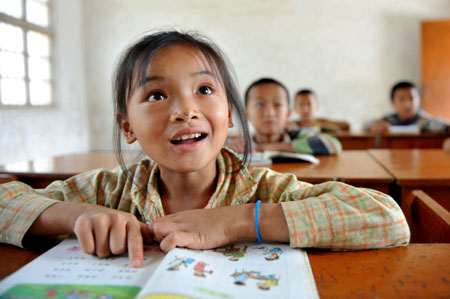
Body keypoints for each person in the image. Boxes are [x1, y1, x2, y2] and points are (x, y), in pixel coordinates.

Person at [0, 30, 409, 269]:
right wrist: (76, 214)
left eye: (205, 90)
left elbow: (388, 218)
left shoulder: (262, 188)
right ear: (127, 126)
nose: (185, 110)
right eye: (157, 94)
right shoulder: (109, 192)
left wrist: (236, 222)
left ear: (229, 114)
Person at [234, 78, 342, 155]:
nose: (269, 113)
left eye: (277, 105)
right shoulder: (241, 143)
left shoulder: (295, 135)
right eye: (260, 105)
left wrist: (267, 148)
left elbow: (333, 144)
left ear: (288, 113)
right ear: (246, 114)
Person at [365, 81, 450, 134]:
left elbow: (441, 124)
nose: (407, 104)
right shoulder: (389, 120)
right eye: (401, 99)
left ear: (419, 100)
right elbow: (366, 125)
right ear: (392, 102)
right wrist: (372, 127)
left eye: (412, 99)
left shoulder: (424, 120)